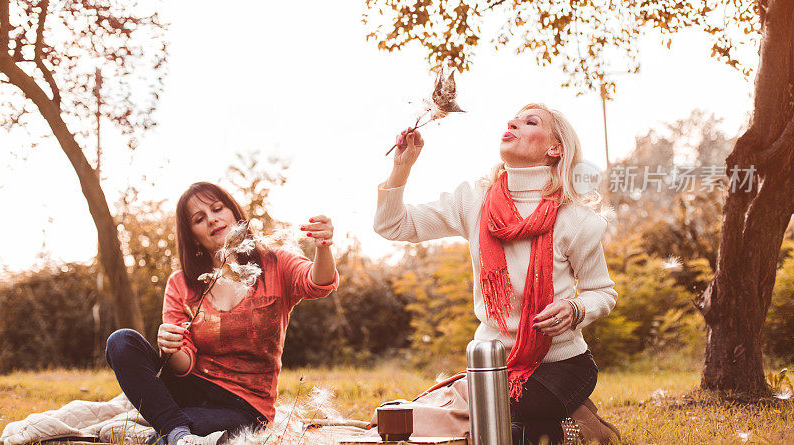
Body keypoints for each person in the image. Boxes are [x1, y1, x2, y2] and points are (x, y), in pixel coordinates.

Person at [374, 103, 618, 444]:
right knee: (393, 419)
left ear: (555, 148)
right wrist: (401, 167)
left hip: (562, 363)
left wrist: (576, 309)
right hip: (492, 364)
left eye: (529, 122)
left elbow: (602, 292)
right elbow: (392, 225)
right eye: (513, 119)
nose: (512, 123)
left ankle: (576, 424)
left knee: (512, 426)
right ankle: (564, 418)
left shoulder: (575, 219)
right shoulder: (473, 202)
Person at [106, 182, 339, 445]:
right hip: (187, 388)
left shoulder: (275, 264)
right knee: (120, 341)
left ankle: (171, 428)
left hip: (243, 405)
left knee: (165, 436)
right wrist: (171, 346)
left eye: (217, 208)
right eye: (199, 218)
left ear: (234, 213)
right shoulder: (180, 283)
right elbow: (184, 365)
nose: (212, 219)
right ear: (193, 235)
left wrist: (323, 246)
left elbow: (317, 283)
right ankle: (177, 431)